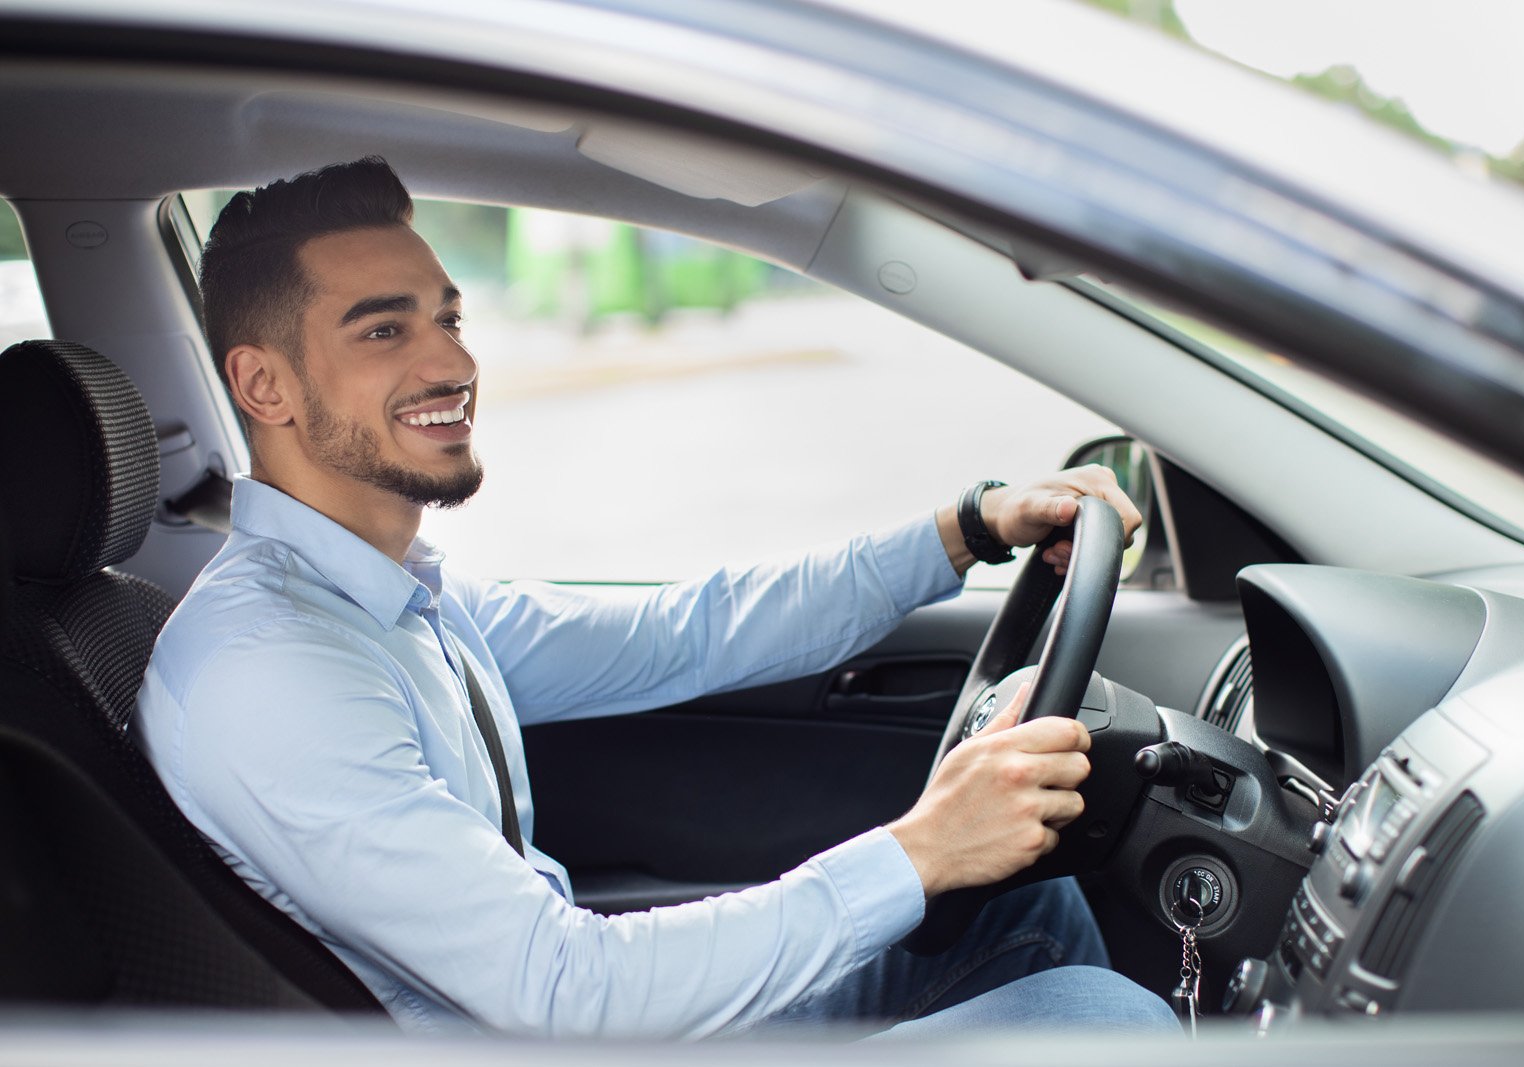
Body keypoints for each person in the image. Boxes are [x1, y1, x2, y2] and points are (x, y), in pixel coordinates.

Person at [132, 158, 1176, 1039]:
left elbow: (694, 631)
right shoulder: (269, 667)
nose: (453, 360)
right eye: (383, 332)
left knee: (1022, 898)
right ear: (264, 387)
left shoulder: (390, 599)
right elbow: (556, 989)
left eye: (447, 316)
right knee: (1097, 1014)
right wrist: (921, 846)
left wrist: (967, 525)